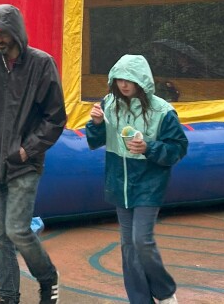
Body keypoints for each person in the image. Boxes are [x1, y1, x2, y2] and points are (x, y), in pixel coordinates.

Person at [0, 4, 66, 304]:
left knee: (18, 230)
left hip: (24, 165)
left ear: (15, 30)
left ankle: (48, 278)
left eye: (2, 32)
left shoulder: (42, 64)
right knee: (0, 236)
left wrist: (27, 151)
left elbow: (55, 118)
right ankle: (8, 297)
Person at [86, 54, 187, 304]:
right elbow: (94, 141)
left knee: (141, 241)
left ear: (142, 81)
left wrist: (149, 148)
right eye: (119, 79)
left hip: (149, 183)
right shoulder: (109, 104)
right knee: (128, 246)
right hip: (119, 183)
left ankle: (164, 291)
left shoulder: (162, 111)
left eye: (129, 79)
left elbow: (178, 148)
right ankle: (140, 299)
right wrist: (96, 123)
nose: (124, 84)